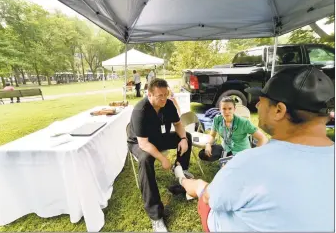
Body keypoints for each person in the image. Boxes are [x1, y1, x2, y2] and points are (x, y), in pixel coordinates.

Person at [173, 65, 335, 232]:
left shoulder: (248, 162)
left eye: (261, 100)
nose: (257, 105)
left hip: (222, 209)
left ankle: (182, 178)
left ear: (279, 110)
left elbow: (210, 198)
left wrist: (194, 184)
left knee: (202, 190)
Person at [127, 78, 194, 232]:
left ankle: (180, 176)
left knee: (187, 137)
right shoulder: (140, 110)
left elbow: (178, 124)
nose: (164, 98)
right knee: (145, 160)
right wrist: (163, 158)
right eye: (159, 96)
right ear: (149, 94)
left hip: (158, 137)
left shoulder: (168, 104)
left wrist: (183, 138)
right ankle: (156, 216)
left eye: (166, 94)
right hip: (139, 143)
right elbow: (143, 144)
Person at [199, 96, 268, 162]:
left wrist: (253, 155)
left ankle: (231, 160)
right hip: (225, 147)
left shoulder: (243, 122)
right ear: (220, 109)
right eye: (224, 109)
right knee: (202, 154)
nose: (226, 112)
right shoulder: (217, 119)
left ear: (234, 109)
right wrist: (208, 144)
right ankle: (227, 159)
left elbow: (263, 138)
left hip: (241, 150)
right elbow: (212, 135)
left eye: (230, 108)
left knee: (230, 166)